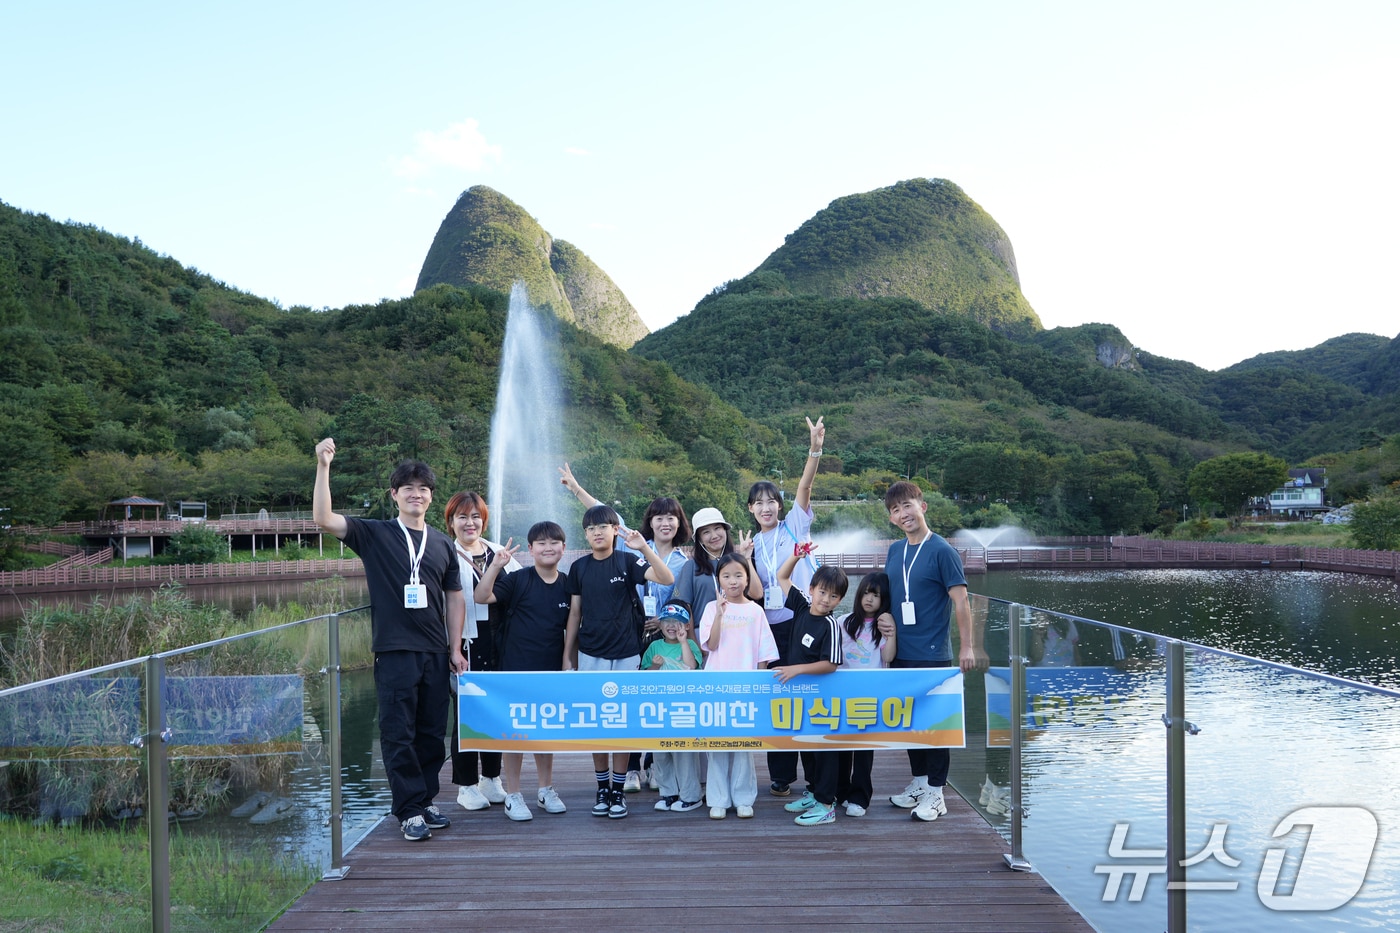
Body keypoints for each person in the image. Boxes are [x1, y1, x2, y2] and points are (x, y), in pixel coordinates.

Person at [312, 438, 465, 843]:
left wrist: (455, 647)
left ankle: (426, 798)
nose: (417, 495)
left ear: (432, 497)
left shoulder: (442, 543)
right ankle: (408, 810)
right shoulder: (374, 533)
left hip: (435, 651)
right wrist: (324, 466)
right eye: (409, 489)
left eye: (424, 489)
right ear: (394, 494)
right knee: (398, 732)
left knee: (432, 732)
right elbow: (324, 519)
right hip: (394, 650)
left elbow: (454, 598)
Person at [559, 465, 693, 790]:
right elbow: (603, 514)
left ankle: (656, 768)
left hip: (660, 638)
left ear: (679, 523)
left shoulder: (664, 557)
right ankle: (623, 775)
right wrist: (576, 489)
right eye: (659, 517)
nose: (664, 523)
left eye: (671, 517)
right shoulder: (621, 546)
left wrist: (665, 621)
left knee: (644, 706)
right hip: (624, 637)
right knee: (605, 713)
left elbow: (670, 584)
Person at [883, 480, 986, 823]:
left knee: (935, 725)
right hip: (901, 652)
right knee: (911, 722)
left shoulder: (942, 550)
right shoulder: (896, 550)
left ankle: (937, 794)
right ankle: (919, 782)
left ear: (922, 507)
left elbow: (961, 601)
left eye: (907, 505)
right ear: (892, 518)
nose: (903, 514)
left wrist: (967, 647)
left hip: (933, 653)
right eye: (896, 510)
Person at [563, 504, 675, 819]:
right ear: (585, 534)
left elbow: (665, 578)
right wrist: (566, 656)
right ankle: (602, 787)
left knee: (622, 721)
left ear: (615, 530)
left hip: (627, 652)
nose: (597, 532)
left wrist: (644, 548)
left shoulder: (628, 560)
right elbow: (575, 614)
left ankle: (618, 788)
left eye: (604, 526)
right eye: (591, 528)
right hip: (591, 653)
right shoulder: (579, 567)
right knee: (598, 723)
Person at [471, 521, 572, 821]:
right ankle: (513, 794)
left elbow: (573, 624)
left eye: (554, 542)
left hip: (550, 670)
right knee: (513, 734)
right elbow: (481, 596)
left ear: (563, 548)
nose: (548, 547)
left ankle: (546, 789)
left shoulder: (568, 583)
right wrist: (496, 565)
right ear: (530, 550)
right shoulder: (517, 579)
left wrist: (569, 661)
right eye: (540, 543)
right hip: (513, 670)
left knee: (544, 733)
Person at [751, 415, 825, 798]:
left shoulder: (794, 526)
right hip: (769, 625)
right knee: (776, 695)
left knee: (807, 692)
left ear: (780, 506)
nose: (766, 507)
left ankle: (815, 780)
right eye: (759, 503)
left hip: (801, 617)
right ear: (750, 509)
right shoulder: (748, 544)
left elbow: (805, 485)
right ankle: (781, 777)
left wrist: (815, 449)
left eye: (771, 502)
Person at [443, 490, 521, 811]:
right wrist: (452, 647)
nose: (470, 523)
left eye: (475, 516)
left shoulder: (499, 552)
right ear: (451, 522)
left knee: (495, 710)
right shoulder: (447, 553)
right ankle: (466, 785)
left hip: (498, 642)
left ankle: (491, 778)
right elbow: (445, 603)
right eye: (462, 517)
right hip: (466, 643)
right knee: (467, 712)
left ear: (483, 520)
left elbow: (519, 588)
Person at [698, 552, 778, 820]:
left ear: (747, 577)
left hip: (746, 688)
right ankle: (718, 799)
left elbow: (764, 654)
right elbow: (711, 645)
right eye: (726, 576)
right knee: (717, 744)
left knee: (743, 746)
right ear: (718, 579)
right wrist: (720, 614)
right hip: (716, 687)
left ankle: (744, 798)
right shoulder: (711, 608)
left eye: (738, 575)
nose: (732, 581)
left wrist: (759, 687)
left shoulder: (756, 610)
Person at [772, 543, 847, 826]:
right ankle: (814, 792)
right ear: (813, 588)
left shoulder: (830, 625)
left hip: (822, 697)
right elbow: (782, 577)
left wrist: (797, 669)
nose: (826, 599)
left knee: (823, 749)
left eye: (834, 596)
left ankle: (827, 805)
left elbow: (831, 664)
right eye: (823, 592)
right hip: (801, 695)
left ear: (839, 601)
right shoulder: (803, 606)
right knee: (807, 746)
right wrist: (796, 556)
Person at [835, 572, 897, 817]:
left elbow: (888, 657)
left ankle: (859, 797)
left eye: (876, 595)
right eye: (866, 593)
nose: (869, 599)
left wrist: (890, 633)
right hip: (842, 693)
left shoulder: (882, 626)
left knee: (863, 748)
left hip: (868, 696)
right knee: (840, 746)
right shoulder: (844, 621)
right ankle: (840, 791)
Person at [642, 601, 704, 812]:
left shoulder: (690, 645)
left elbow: (691, 666)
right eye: (667, 621)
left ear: (686, 626)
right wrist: (655, 666)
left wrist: (684, 642)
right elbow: (643, 678)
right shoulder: (653, 647)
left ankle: (690, 795)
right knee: (661, 752)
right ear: (659, 625)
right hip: (660, 707)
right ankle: (668, 793)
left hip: (683, 707)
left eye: (678, 622)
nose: (672, 626)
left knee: (684, 753)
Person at [671, 507, 762, 629]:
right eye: (706, 532)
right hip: (703, 632)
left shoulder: (737, 561)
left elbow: (757, 594)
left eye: (717, 528)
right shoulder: (691, 567)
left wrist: (747, 558)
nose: (714, 536)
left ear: (725, 530)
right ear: (700, 540)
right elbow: (685, 607)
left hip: (738, 629)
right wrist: (693, 642)